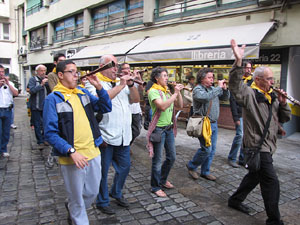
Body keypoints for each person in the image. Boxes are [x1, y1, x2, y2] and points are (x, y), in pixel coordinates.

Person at [228, 39, 291, 225]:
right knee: (271, 181)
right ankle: (274, 220)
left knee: (254, 176)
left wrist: (284, 103)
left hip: (269, 145)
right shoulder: (249, 94)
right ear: (258, 80)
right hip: (257, 146)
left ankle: (235, 200)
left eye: (273, 79)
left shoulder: (272, 96)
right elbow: (234, 87)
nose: (273, 82)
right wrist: (238, 63)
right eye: (270, 79)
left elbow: (284, 118)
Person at [43, 60, 112, 225]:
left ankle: (73, 207)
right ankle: (76, 215)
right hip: (73, 156)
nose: (76, 75)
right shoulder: (53, 99)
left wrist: (99, 87)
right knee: (77, 198)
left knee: (92, 192)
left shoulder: (82, 92)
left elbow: (105, 107)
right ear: (60, 75)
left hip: (93, 151)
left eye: (76, 71)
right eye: (71, 72)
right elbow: (50, 133)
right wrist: (71, 151)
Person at [95, 55, 140, 215]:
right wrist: (121, 85)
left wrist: (131, 84)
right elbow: (103, 99)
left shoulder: (121, 83)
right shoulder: (94, 82)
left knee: (125, 167)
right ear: (101, 66)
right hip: (106, 136)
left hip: (123, 136)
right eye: (112, 66)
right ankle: (102, 200)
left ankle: (116, 191)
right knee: (103, 172)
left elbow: (135, 100)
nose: (116, 69)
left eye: (117, 66)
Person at [186, 68, 229, 181]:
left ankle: (205, 171)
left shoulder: (213, 89)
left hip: (214, 123)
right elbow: (205, 98)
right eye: (209, 77)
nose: (212, 79)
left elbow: (225, 98)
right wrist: (218, 88)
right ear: (202, 78)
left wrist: (224, 90)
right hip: (203, 123)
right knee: (206, 149)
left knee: (212, 150)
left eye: (212, 77)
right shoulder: (197, 89)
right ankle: (192, 166)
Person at [147, 67, 183, 197]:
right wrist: (174, 94)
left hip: (169, 128)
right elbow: (162, 106)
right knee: (157, 160)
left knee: (171, 157)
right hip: (159, 130)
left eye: (167, 75)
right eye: (164, 76)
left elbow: (180, 105)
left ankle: (162, 179)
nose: (167, 78)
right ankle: (155, 187)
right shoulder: (153, 91)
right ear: (156, 78)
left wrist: (177, 93)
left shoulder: (167, 91)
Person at [227, 61, 253, 168]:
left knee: (246, 138)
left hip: (249, 114)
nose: (249, 70)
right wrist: (235, 117)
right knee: (240, 135)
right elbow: (232, 101)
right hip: (240, 114)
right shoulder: (238, 81)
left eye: (250, 68)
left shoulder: (252, 81)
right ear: (242, 69)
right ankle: (232, 158)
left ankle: (243, 158)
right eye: (247, 68)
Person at [120, 63, 143, 145]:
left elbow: (141, 91)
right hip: (127, 109)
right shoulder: (121, 79)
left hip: (136, 110)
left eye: (128, 68)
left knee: (137, 130)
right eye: (125, 68)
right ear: (121, 70)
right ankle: (127, 145)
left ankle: (128, 144)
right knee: (127, 129)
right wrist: (131, 79)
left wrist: (139, 78)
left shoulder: (133, 79)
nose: (128, 70)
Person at [28, 64, 50, 150]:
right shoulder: (32, 80)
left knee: (46, 124)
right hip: (36, 106)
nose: (43, 72)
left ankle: (45, 139)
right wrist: (41, 85)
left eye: (44, 70)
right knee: (37, 124)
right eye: (41, 70)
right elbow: (32, 90)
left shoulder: (47, 80)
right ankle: (40, 141)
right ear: (37, 71)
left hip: (45, 106)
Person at [0, 65, 18, 157]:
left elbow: (16, 93)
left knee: (6, 131)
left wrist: (8, 83)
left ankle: (3, 149)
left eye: (3, 72)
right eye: (0, 72)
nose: (1, 74)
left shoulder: (9, 83)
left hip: (7, 109)